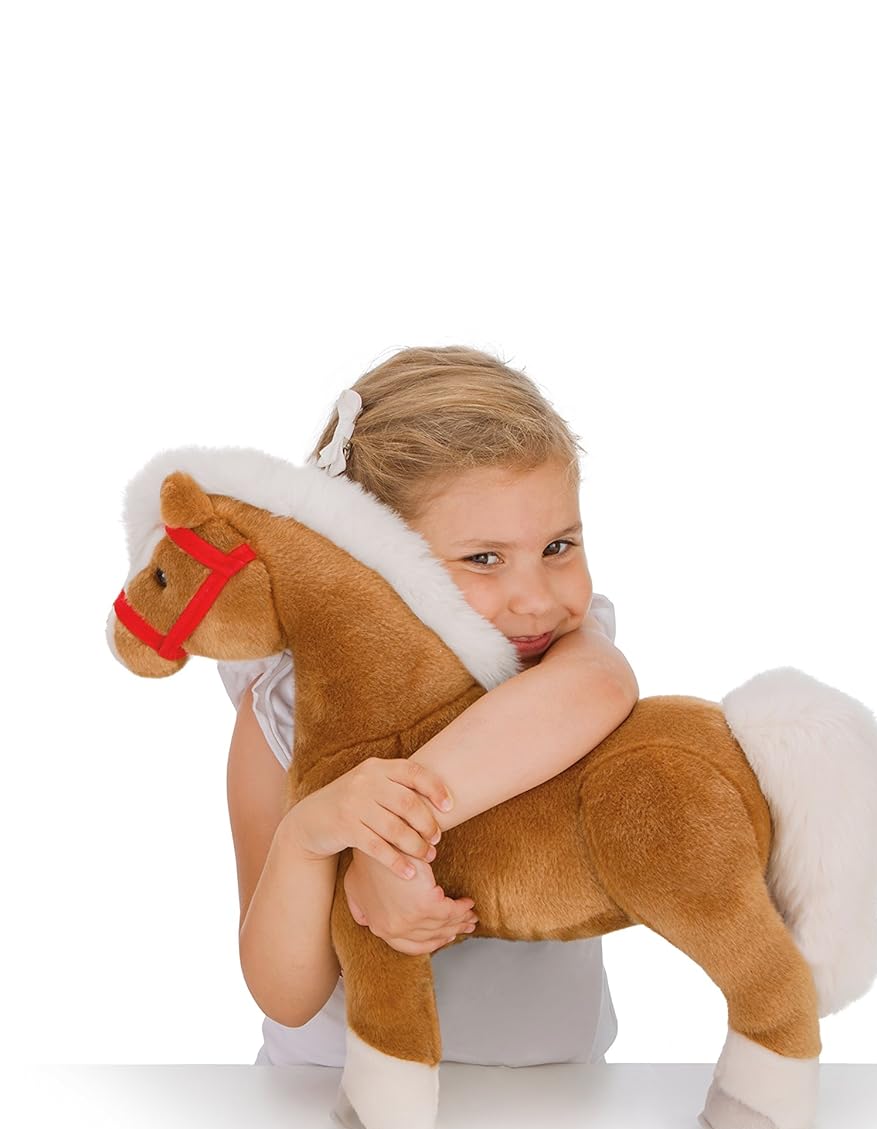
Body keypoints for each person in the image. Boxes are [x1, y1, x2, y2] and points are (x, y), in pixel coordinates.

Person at [222, 345, 640, 1069]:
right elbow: (285, 996)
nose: (536, 597)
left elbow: (602, 687)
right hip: (330, 1094)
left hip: (562, 1103)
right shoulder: (287, 709)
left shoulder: (560, 660)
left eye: (558, 546)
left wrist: (390, 845)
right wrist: (313, 837)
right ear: (368, 565)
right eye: (484, 558)